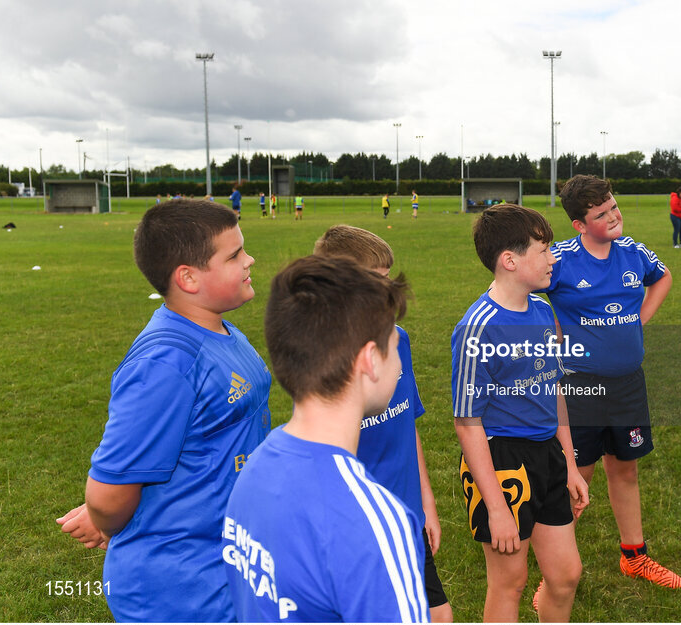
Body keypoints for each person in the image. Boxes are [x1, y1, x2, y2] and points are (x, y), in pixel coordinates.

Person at [55, 199, 271, 621]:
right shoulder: (165, 364)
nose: (250, 260)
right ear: (188, 278)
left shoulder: (218, 328)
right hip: (182, 590)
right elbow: (106, 494)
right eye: (235, 255)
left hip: (231, 565)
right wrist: (105, 513)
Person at [224, 255, 428, 622]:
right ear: (370, 361)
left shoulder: (254, 467)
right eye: (395, 345)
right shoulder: (375, 522)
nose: (400, 362)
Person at [540, 174, 681, 593]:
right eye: (601, 214)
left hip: (627, 385)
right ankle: (554, 570)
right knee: (575, 476)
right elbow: (525, 292)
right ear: (579, 226)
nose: (613, 216)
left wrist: (638, 319)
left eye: (614, 207)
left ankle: (634, 557)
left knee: (625, 469)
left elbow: (663, 277)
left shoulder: (633, 252)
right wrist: (551, 332)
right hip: (580, 386)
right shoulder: (561, 260)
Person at [451, 204, 588, 622]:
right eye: (544, 249)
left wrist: (570, 462)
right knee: (510, 582)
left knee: (566, 576)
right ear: (509, 260)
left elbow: (554, 389)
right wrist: (496, 507)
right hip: (502, 461)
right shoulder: (479, 328)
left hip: (547, 453)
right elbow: (467, 422)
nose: (553, 258)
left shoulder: (544, 311)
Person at [313, 225, 453, 622]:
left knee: (439, 615)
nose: (388, 290)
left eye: (389, 278)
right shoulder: (328, 362)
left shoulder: (398, 340)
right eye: (377, 280)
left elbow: (407, 423)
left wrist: (425, 499)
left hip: (407, 513)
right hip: (364, 523)